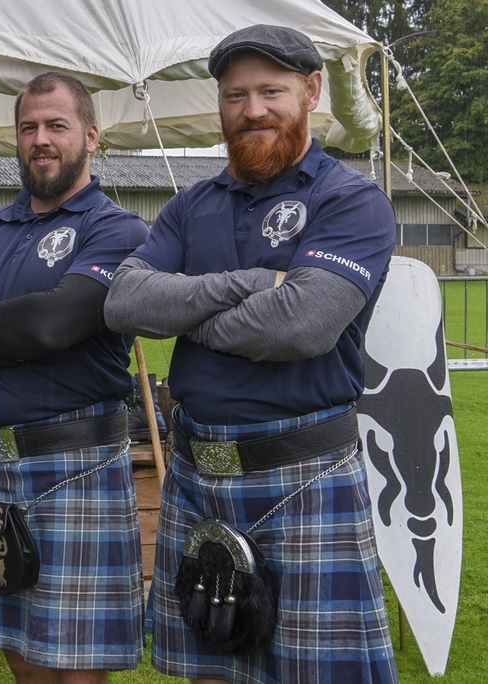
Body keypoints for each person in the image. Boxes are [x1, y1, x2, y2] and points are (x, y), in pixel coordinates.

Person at [103, 25, 399, 684]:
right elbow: (124, 303)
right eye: (236, 96)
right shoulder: (189, 208)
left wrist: (183, 312)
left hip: (305, 475)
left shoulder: (350, 200)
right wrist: (248, 288)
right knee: (212, 666)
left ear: (312, 92)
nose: (253, 109)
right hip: (198, 470)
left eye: (272, 91)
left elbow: (301, 326)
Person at [0, 72, 149, 683]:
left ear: (91, 136)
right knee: (15, 644)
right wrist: (34, 333)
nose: (41, 139)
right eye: (29, 127)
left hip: (78, 464)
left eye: (57, 126)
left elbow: (52, 324)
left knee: (79, 657)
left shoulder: (116, 229)